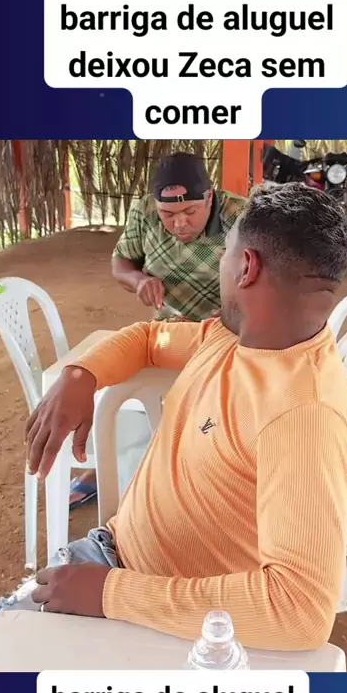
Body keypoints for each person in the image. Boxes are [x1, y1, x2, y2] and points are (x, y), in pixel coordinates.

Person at [13, 182, 347, 652]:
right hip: (113, 555)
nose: (220, 264)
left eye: (225, 252)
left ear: (247, 267)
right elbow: (147, 339)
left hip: (171, 619)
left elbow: (298, 610)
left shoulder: (303, 417)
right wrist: (81, 374)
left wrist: (111, 593)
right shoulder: (235, 339)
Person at [70, 151, 246, 509]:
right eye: (168, 214)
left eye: (190, 212)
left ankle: (201, 481)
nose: (179, 223)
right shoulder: (143, 213)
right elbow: (121, 262)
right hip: (166, 334)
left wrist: (238, 309)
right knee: (126, 392)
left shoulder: (241, 217)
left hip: (227, 335)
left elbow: (270, 274)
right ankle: (108, 470)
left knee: (215, 406)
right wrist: (138, 280)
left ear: (209, 197)